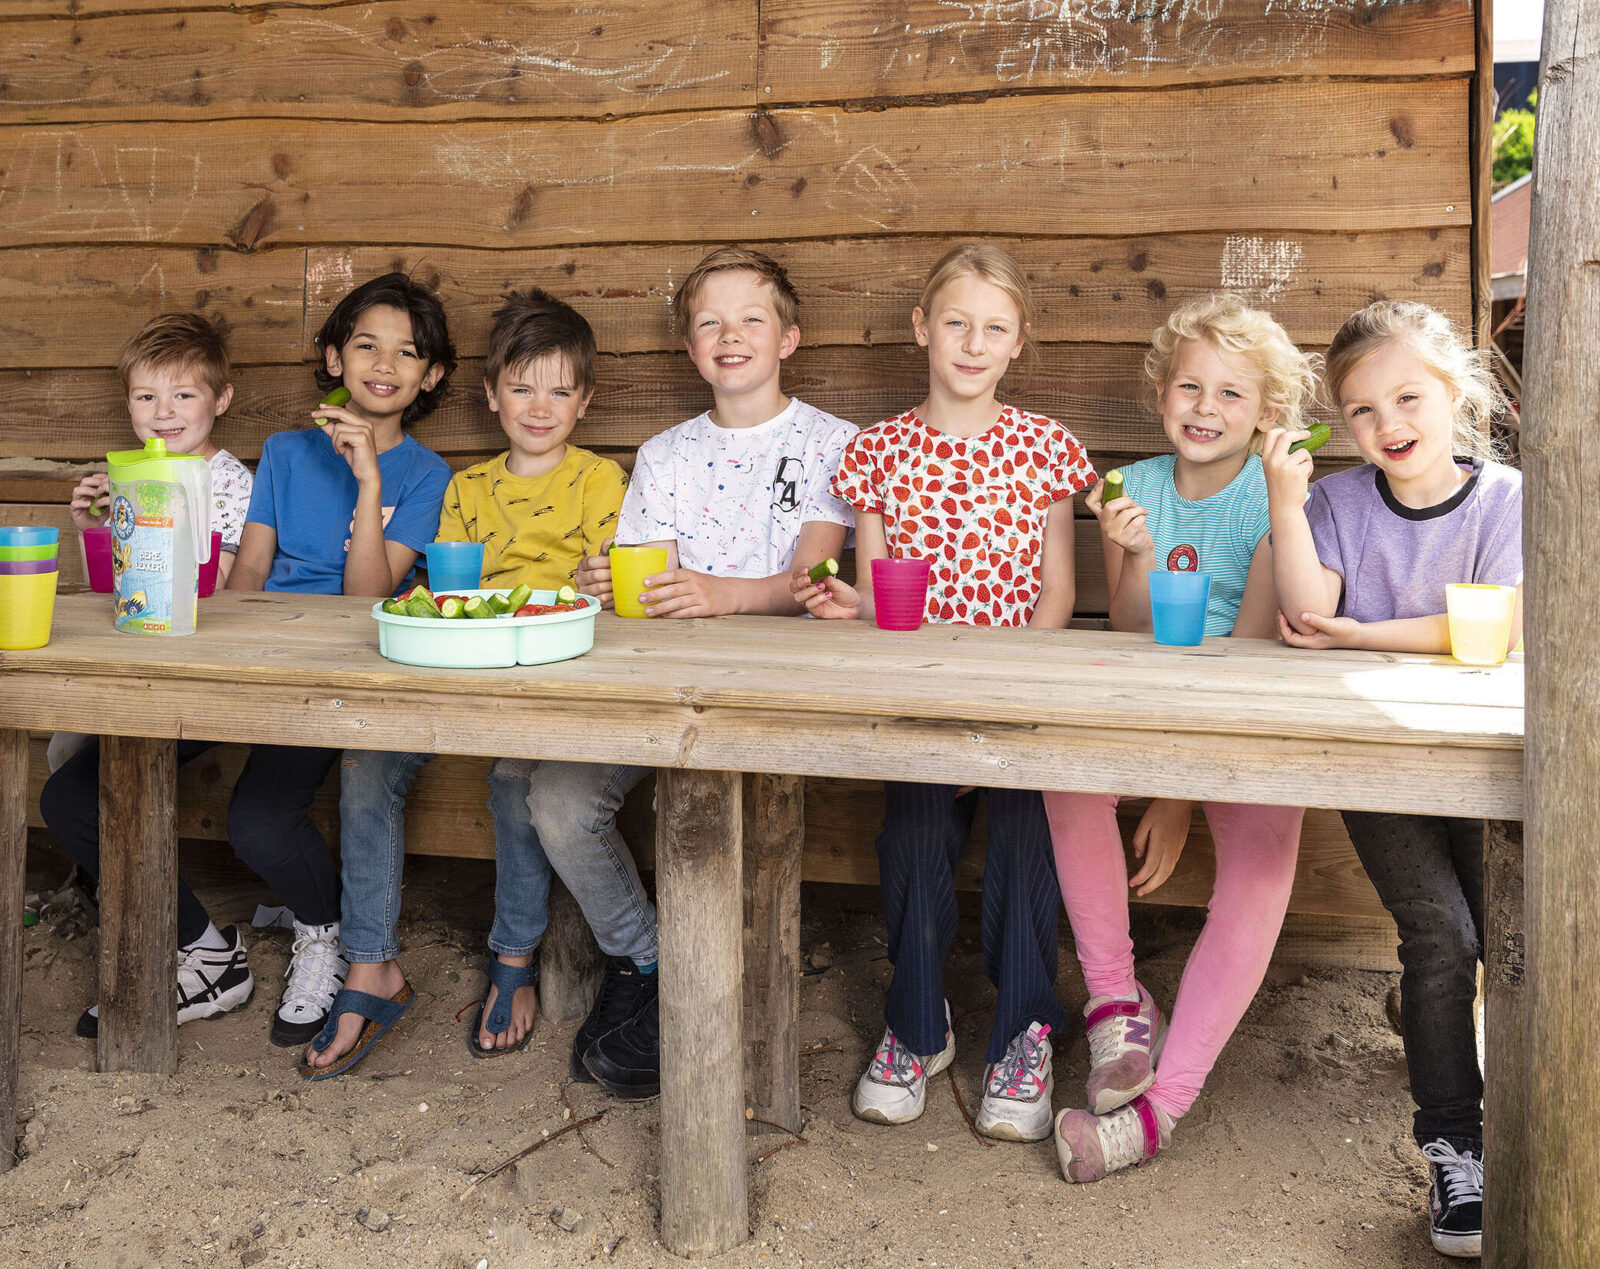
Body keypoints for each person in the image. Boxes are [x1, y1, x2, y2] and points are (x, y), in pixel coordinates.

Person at [41, 273, 455, 1049]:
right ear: (334, 356)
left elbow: (365, 597)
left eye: (408, 352)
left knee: (259, 820)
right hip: (248, 658)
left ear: (429, 377)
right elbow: (246, 579)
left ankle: (323, 936)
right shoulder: (287, 453)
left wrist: (369, 483)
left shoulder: (426, 477)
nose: (384, 362)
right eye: (366, 343)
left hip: (337, 672)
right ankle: (200, 948)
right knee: (71, 795)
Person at [797, 243, 1092, 1141]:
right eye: (955, 322)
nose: (972, 342)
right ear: (923, 328)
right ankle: (918, 1026)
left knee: (1027, 827)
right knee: (916, 826)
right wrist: (845, 604)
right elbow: (877, 597)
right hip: (915, 700)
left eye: (993, 328)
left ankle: (1026, 1029)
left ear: (1018, 343)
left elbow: (1058, 597)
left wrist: (998, 711)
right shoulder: (877, 452)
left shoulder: (1044, 448)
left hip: (1015, 698)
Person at [304, 289, 626, 1078]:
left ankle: (513, 954)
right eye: (521, 387)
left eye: (559, 390)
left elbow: (616, 589)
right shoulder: (468, 489)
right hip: (463, 672)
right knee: (365, 760)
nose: (539, 407)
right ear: (490, 396)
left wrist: (607, 579)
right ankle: (370, 963)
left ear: (584, 401)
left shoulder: (599, 481)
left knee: (517, 776)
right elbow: (450, 588)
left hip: (554, 678)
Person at [567, 245, 856, 1098]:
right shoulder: (665, 455)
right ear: (691, 349)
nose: (729, 337)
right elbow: (643, 584)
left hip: (778, 694)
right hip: (655, 687)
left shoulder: (831, 444)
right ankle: (649, 962)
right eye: (709, 324)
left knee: (719, 816)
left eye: (750, 319)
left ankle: (704, 1003)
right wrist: (608, 586)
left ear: (789, 337)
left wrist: (714, 593)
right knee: (553, 796)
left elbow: (816, 583)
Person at [1265, 300, 1520, 1258]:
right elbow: (1303, 611)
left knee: (1505, 933)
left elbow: (1495, 621)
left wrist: (1367, 634)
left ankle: (1517, 1107)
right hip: (1376, 766)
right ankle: (1458, 1145)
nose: (1386, 424)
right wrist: (1288, 506)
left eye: (1407, 396)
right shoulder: (1335, 505)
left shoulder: (1504, 500)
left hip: (1482, 765)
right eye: (1361, 411)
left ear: (1453, 391)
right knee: (1442, 934)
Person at [1045, 294, 1315, 1181]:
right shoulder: (1137, 486)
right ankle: (1116, 1004)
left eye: (1233, 395)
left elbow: (1249, 646)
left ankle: (1163, 1107)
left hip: (1245, 719)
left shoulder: (1266, 496)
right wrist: (1122, 546)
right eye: (1190, 386)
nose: (1206, 407)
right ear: (1161, 392)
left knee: (1266, 859)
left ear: (1267, 417)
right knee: (1068, 775)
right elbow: (1130, 631)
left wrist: (1177, 797)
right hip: (1146, 705)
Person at [50, 313, 255, 773]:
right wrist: (94, 530)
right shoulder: (129, 474)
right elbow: (115, 584)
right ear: (128, 404)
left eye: (184, 395)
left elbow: (211, 585)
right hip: (132, 642)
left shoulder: (227, 482)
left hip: (190, 655)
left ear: (221, 400)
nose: (164, 412)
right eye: (147, 396)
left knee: (88, 769)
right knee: (64, 756)